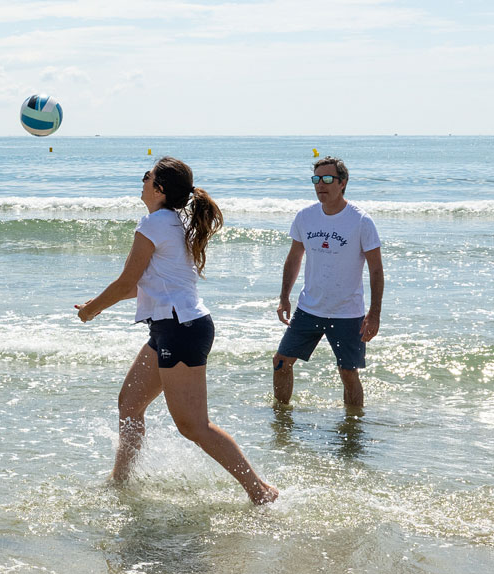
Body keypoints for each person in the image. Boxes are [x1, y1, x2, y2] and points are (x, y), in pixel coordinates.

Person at [76, 157, 277, 505]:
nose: (141, 181)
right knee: (130, 404)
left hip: (181, 329)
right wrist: (96, 304)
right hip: (173, 327)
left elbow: (127, 282)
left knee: (193, 426)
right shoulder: (166, 222)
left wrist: (91, 311)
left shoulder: (155, 225)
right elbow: (136, 287)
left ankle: (259, 490)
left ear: (159, 189)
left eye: (147, 177)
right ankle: (120, 481)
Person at [274, 156, 384, 412]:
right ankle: (280, 420)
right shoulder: (305, 217)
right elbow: (293, 258)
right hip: (309, 308)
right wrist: (284, 297)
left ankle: (353, 426)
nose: (320, 185)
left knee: (348, 373)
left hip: (348, 312)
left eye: (327, 179)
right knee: (280, 362)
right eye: (316, 179)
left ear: (343, 182)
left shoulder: (361, 221)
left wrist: (375, 313)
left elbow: (376, 270)